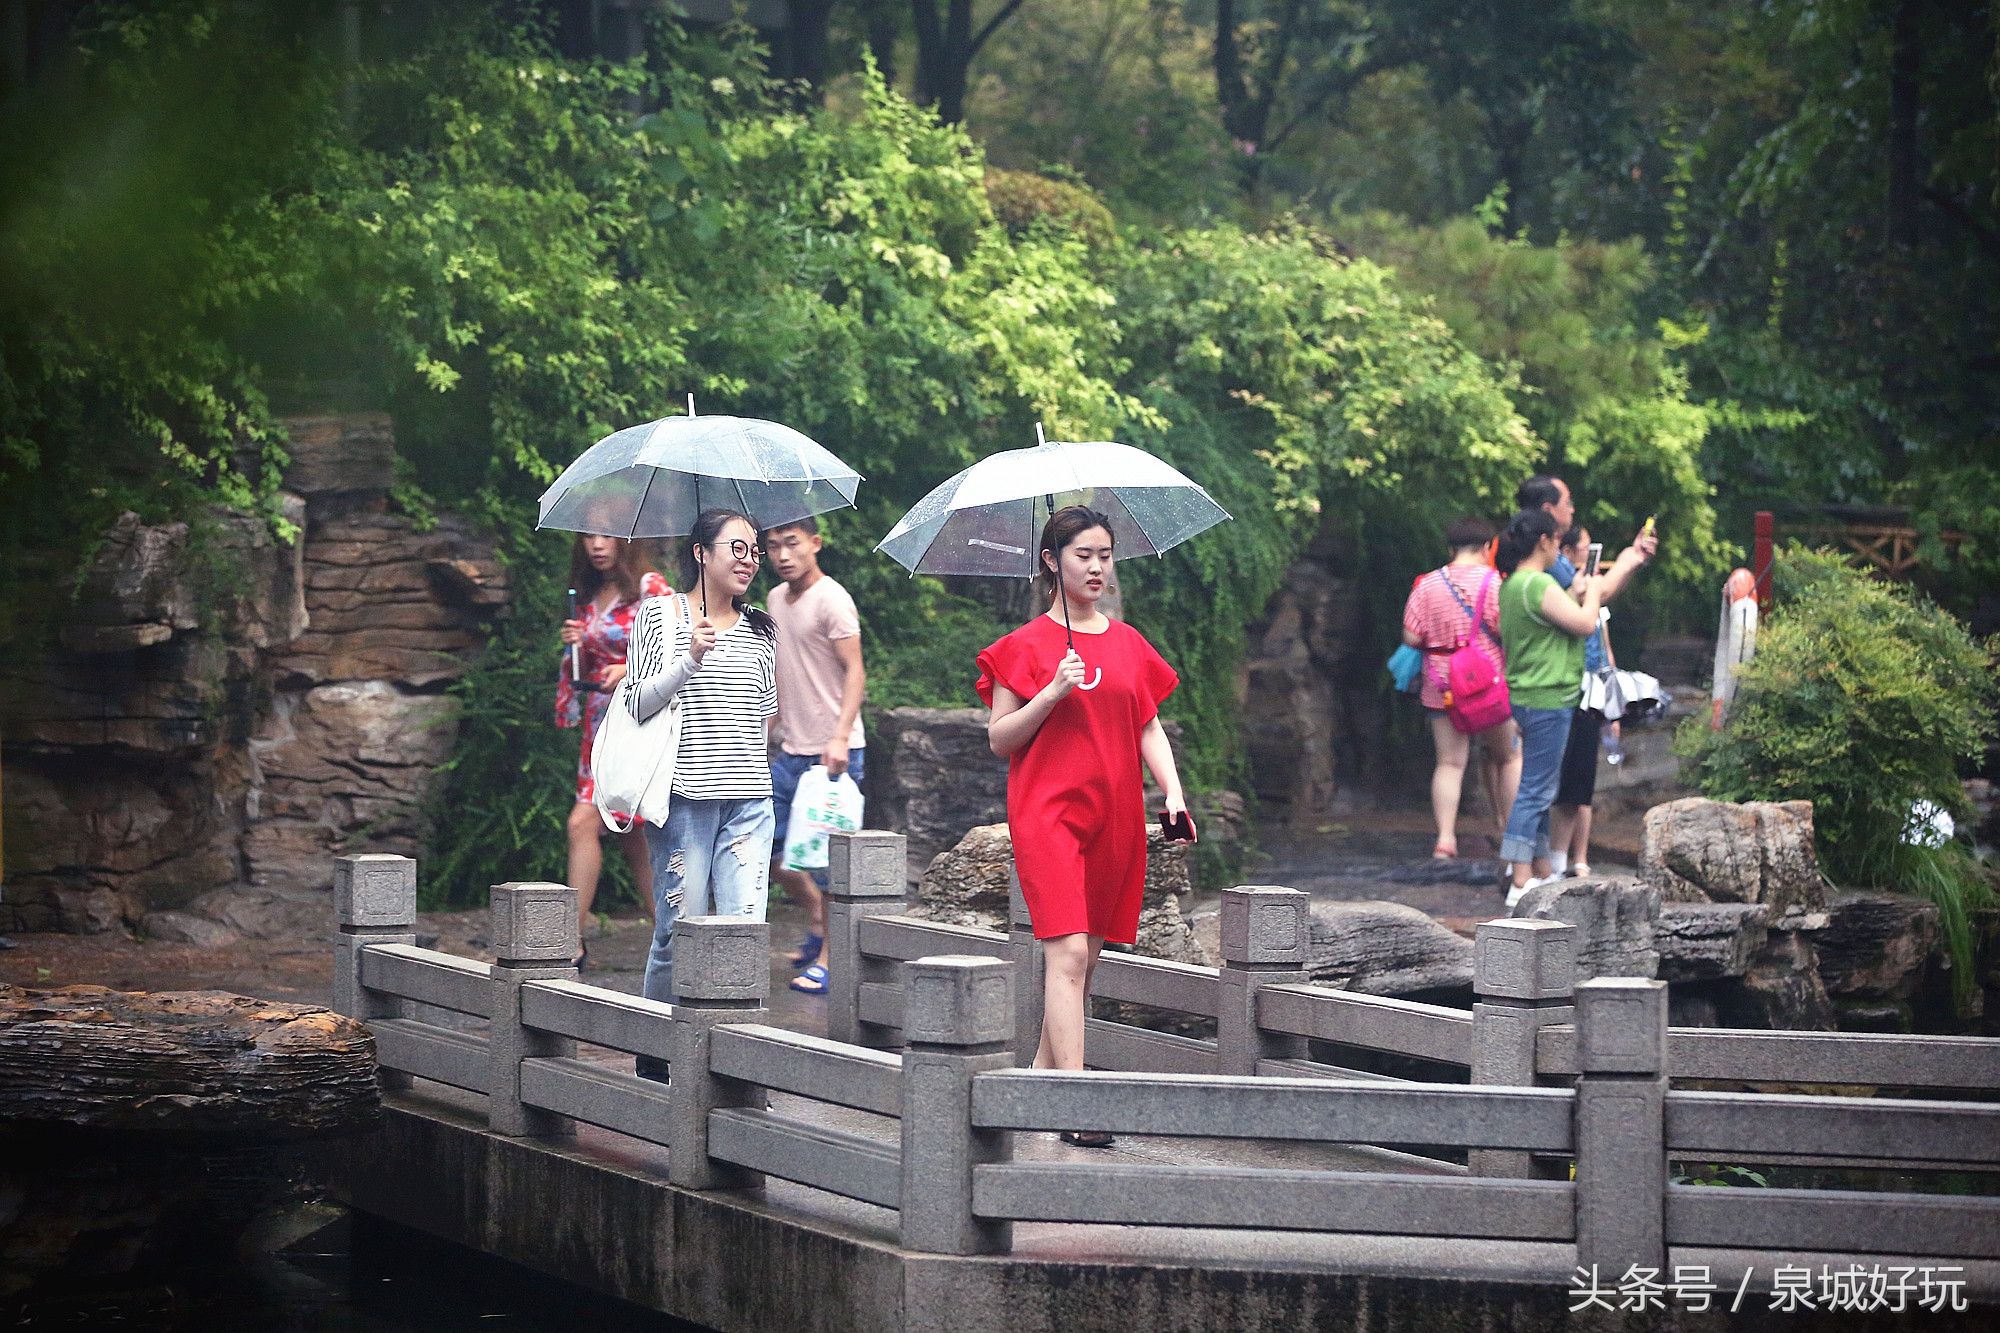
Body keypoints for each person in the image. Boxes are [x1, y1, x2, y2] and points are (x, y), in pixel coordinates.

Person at [977, 506, 1187, 1149]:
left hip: (1116, 814)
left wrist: (1173, 795)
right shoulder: (1025, 647)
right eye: (1082, 556)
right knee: (1066, 954)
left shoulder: (1127, 642)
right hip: (1049, 814)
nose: (1096, 567)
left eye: (1104, 555)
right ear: (1051, 562)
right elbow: (999, 741)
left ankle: (1040, 1079)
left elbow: (1147, 723)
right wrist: (1050, 695)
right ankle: (1075, 1104)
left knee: (1086, 959)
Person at [622, 510, 779, 1043]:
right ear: (700, 553)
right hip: (683, 801)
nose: (750, 560)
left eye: (754, 551)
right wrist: (689, 656)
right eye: (737, 548)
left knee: (742, 931)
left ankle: (735, 1061)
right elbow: (638, 702)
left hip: (750, 804)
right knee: (678, 934)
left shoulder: (761, 629)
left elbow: (764, 715)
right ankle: (657, 1054)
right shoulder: (659, 617)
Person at [1497, 510, 1653, 904]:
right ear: (1546, 542)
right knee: (1535, 791)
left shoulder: (1516, 584)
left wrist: (1606, 575)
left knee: (1541, 787)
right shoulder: (1537, 584)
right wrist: (1596, 592)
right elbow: (1585, 624)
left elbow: (1565, 611)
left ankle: (1542, 872)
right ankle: (1519, 881)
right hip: (1548, 697)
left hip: (1531, 697)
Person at [761, 516, 867, 996]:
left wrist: (841, 736)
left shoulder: (833, 599)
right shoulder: (774, 601)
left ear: (815, 544)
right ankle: (820, 925)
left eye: (792, 544)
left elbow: (856, 672)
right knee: (773, 853)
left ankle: (829, 959)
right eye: (773, 548)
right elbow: (780, 675)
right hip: (789, 750)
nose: (783, 555)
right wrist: (765, 737)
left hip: (833, 755)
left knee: (828, 864)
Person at [556, 535, 668, 960]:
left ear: (627, 540)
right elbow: (583, 670)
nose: (596, 545)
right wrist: (577, 643)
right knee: (637, 838)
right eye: (588, 536)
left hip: (636, 725)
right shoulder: (590, 595)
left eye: (606, 536)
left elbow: (683, 651)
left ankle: (569, 943)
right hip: (600, 725)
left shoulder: (651, 588)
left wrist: (629, 668)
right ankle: (675, 942)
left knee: (583, 824)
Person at [1401, 517, 1521, 859]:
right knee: (1509, 757)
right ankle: (1512, 839)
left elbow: (1411, 636)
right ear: (1487, 548)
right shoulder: (1497, 583)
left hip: (1442, 686)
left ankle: (1445, 840)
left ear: (1450, 549)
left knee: (1450, 763)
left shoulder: (1427, 584)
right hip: (1489, 686)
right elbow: (1508, 631)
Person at [1549, 524, 1616, 877]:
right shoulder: (1561, 588)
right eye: (1587, 549)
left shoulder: (1589, 593)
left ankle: (1577, 858)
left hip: (1595, 692)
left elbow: (1605, 648)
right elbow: (1585, 628)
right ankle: (1555, 861)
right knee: (1558, 782)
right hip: (1567, 689)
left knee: (1582, 782)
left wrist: (1613, 697)